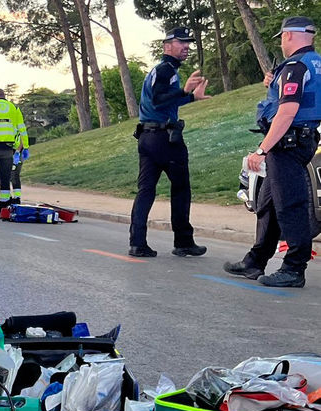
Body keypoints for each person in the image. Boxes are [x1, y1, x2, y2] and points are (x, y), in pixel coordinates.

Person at [225, 17, 321, 288]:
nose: (280, 41)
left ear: (289, 36)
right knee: (267, 204)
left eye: (282, 36)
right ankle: (255, 261)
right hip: (296, 141)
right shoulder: (313, 64)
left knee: (291, 206)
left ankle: (294, 269)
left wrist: (262, 149)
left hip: (287, 144)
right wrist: (274, 80)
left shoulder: (296, 66)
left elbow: (288, 111)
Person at [129, 27, 210, 258]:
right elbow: (159, 99)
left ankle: (137, 243)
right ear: (167, 46)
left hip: (147, 137)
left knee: (146, 191)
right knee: (181, 189)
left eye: (188, 43)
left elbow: (162, 103)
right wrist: (184, 90)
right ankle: (183, 242)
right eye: (181, 42)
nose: (186, 47)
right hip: (165, 138)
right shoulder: (166, 70)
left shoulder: (161, 70)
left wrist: (191, 97)